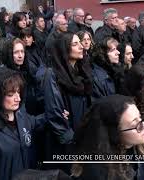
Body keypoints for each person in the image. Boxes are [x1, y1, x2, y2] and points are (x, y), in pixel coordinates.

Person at [44, 32, 92, 173]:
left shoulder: (81, 70)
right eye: (75, 44)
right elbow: (55, 113)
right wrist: (72, 141)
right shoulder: (52, 74)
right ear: (64, 49)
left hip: (81, 133)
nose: (81, 46)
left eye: (80, 43)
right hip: (65, 141)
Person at [71, 94, 144, 180]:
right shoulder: (98, 173)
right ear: (115, 134)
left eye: (140, 117)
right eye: (136, 124)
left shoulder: (137, 147)